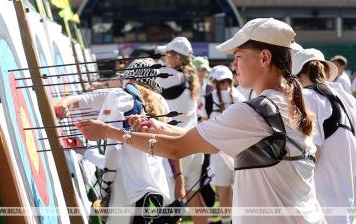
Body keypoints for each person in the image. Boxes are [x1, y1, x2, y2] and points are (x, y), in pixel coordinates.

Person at [76, 18, 326, 223]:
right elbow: (201, 139)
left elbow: (178, 148)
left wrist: (109, 132)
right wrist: (158, 126)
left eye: (238, 56)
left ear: (264, 58)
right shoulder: (285, 103)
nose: (233, 65)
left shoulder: (254, 112)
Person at [55, 59, 184, 224]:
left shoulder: (120, 96)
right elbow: (128, 159)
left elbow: (114, 154)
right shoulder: (160, 104)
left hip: (125, 199)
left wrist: (105, 190)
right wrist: (86, 152)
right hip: (155, 195)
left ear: (129, 78)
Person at [292, 48, 356, 224]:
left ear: (297, 77)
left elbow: (312, 154)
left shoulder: (305, 98)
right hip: (345, 212)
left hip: (316, 212)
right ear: (326, 73)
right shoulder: (348, 99)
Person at [156, 36, 207, 223]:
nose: (164, 59)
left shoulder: (172, 76)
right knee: (194, 200)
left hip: (179, 149)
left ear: (177, 58)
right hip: (195, 147)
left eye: (167, 55)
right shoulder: (190, 76)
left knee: (171, 204)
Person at [208, 65, 245, 224]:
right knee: (240, 191)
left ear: (214, 81)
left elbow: (203, 121)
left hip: (218, 150)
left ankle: (225, 221)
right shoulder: (241, 98)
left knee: (223, 190)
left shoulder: (208, 98)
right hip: (240, 150)